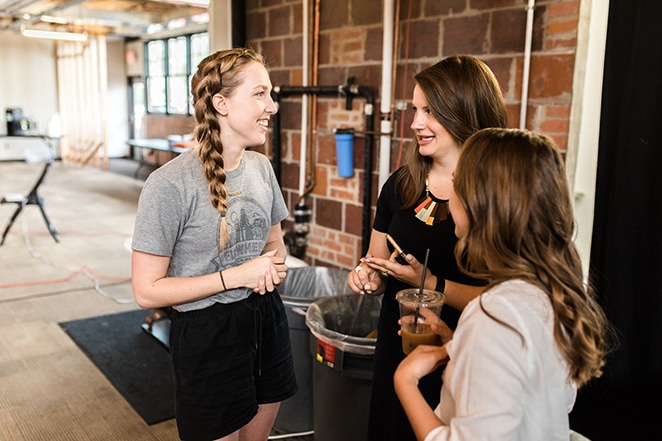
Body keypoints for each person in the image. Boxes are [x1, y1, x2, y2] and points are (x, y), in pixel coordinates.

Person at [394, 128, 613, 440]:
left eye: (458, 180)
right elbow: (524, 383)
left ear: (479, 203)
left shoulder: (493, 314)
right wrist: (455, 341)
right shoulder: (547, 292)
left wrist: (405, 381)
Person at [131, 48, 297, 441]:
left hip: (265, 318)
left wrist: (272, 266)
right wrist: (236, 276)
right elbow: (146, 291)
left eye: (269, 94)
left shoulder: (261, 168)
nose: (271, 106)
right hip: (208, 335)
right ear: (221, 103)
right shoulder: (169, 185)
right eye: (259, 94)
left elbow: (276, 243)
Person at [347, 55, 508, 441]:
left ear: (464, 110)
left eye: (430, 111)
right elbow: (379, 265)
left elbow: (508, 303)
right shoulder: (400, 185)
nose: (416, 123)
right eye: (415, 109)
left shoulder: (497, 196)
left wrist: (431, 283)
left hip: (464, 348)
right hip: (397, 339)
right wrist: (370, 276)